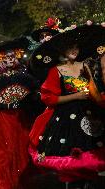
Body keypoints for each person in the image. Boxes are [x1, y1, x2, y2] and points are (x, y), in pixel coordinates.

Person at [29, 40, 105, 188]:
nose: (74, 50)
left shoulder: (84, 65)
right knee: (70, 158)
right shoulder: (56, 70)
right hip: (66, 118)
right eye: (70, 46)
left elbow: (94, 89)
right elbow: (49, 99)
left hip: (88, 114)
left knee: (91, 154)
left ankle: (88, 182)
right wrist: (75, 96)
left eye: (76, 46)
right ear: (62, 50)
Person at [0, 38, 39, 189]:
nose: (10, 59)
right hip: (3, 115)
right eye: (6, 57)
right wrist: (4, 102)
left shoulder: (24, 71)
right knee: (7, 147)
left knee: (23, 143)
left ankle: (24, 177)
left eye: (12, 56)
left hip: (21, 114)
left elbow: (32, 91)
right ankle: (7, 180)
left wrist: (27, 99)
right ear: (0, 59)